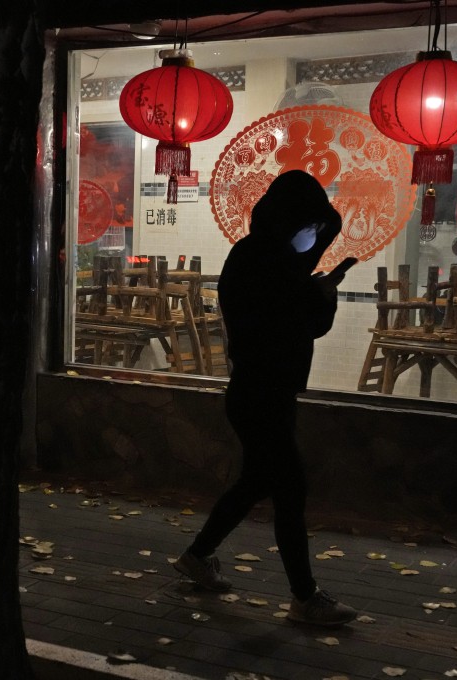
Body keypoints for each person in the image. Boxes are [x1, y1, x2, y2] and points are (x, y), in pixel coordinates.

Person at [173, 170, 358, 628]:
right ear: (287, 219)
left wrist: (316, 291)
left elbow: (299, 317)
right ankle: (304, 597)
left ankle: (198, 556)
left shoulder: (265, 257)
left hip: (261, 392)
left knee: (256, 482)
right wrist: (319, 295)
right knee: (290, 489)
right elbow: (293, 323)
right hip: (260, 394)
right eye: (307, 225)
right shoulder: (264, 259)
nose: (311, 236)